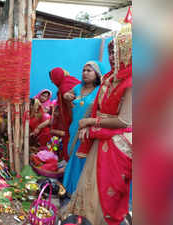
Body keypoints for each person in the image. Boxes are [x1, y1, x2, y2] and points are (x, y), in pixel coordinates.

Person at [60, 32, 132, 225]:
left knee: (106, 186)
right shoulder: (110, 78)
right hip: (95, 135)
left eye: (115, 52)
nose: (111, 58)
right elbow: (95, 108)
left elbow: (125, 122)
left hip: (116, 141)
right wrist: (89, 124)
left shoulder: (133, 81)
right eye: (109, 52)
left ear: (128, 53)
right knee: (88, 178)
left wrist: (92, 123)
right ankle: (85, 216)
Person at [62, 61, 102, 195]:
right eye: (84, 70)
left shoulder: (100, 91)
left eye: (89, 71)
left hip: (87, 132)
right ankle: (68, 188)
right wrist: (66, 96)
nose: (85, 73)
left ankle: (78, 193)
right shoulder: (78, 88)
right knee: (72, 158)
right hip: (74, 128)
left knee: (81, 161)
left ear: (97, 74)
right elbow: (66, 94)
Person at [49, 68, 80, 161]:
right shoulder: (71, 80)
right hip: (80, 120)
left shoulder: (64, 87)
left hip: (75, 122)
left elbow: (72, 106)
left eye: (52, 78)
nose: (52, 81)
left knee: (71, 146)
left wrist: (74, 124)